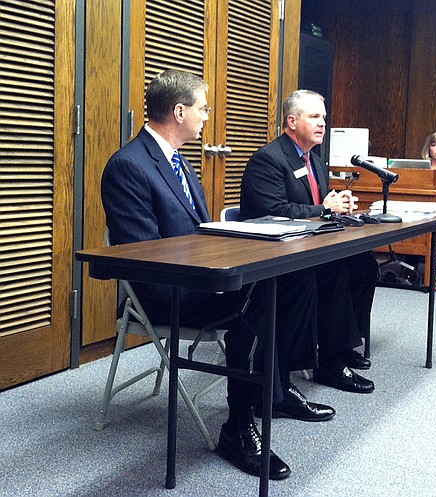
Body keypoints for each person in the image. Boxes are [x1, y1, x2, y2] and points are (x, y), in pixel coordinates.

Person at [101, 70, 333, 481]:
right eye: (203, 109)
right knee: (260, 299)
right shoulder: (128, 166)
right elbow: (146, 259)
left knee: (288, 281)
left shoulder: (178, 162)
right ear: (178, 112)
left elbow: (201, 232)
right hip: (168, 291)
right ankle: (239, 426)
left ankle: (270, 394)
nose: (207, 117)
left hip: (200, 277)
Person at [240, 89, 378, 395]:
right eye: (314, 117)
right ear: (292, 121)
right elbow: (274, 212)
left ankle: (341, 345)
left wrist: (334, 203)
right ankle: (328, 360)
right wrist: (325, 209)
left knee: (364, 265)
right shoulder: (269, 160)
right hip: (274, 255)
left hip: (308, 245)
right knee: (331, 273)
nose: (322, 124)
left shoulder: (314, 161)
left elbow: (316, 205)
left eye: (324, 118)